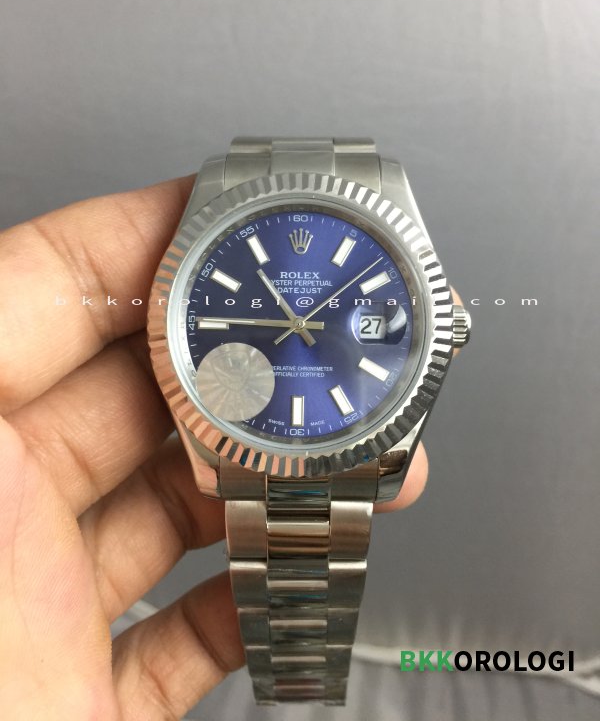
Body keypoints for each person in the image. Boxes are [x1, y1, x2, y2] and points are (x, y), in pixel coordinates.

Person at [0, 175, 432, 720]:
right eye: (294, 321)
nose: (300, 326)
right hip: (245, 428)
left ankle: (303, 686)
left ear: (445, 328)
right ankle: (300, 689)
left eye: (303, 323)